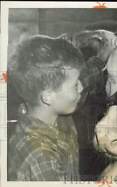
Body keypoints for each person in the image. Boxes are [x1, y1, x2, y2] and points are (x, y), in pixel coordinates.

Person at [7, 35, 85, 181]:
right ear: (48, 97)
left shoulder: (58, 113)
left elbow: (86, 81)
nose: (82, 87)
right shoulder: (42, 157)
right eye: (75, 85)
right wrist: (114, 171)